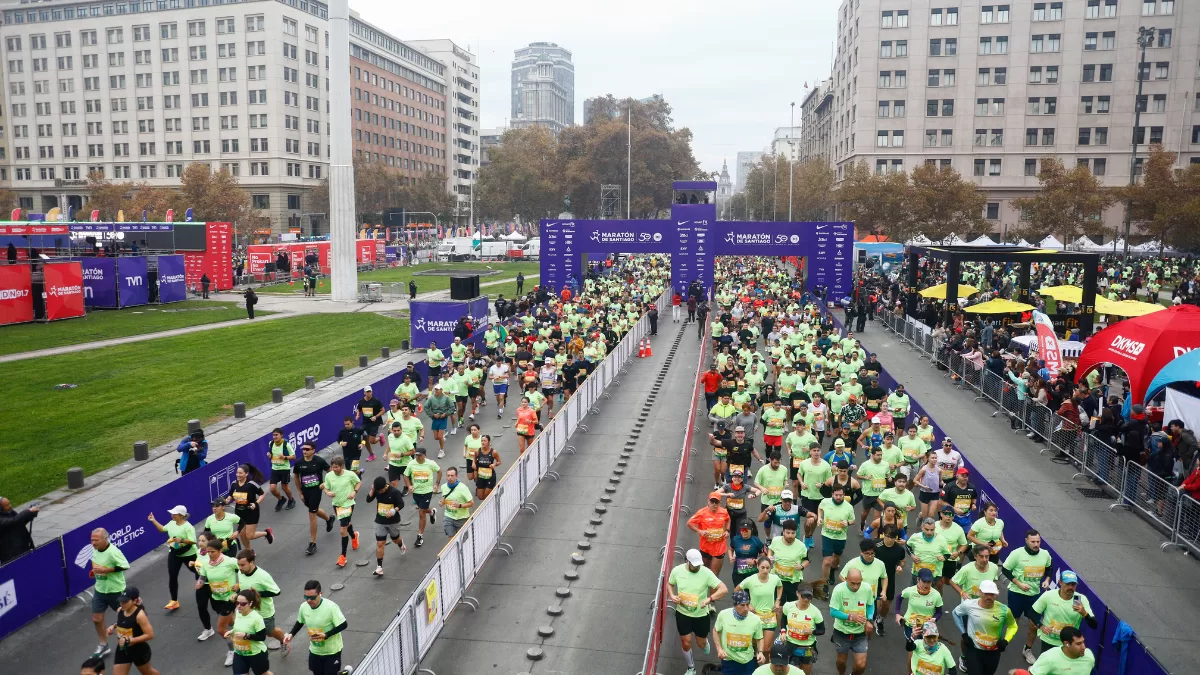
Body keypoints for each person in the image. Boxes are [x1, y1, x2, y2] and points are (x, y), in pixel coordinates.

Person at [668, 548, 729, 675]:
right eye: (694, 565)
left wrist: (709, 599)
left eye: (698, 565)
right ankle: (691, 668)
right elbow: (670, 583)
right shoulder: (677, 571)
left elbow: (723, 589)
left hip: (700, 615)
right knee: (686, 642)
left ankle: (705, 643)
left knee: (700, 643)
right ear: (687, 561)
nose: (697, 567)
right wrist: (672, 596)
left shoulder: (706, 573)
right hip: (683, 613)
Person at [952, 580, 1017, 675]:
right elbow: (955, 613)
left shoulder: (1004, 610)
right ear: (980, 592)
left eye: (992, 594)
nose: (989, 597)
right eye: (986, 594)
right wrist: (964, 634)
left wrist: (1006, 641)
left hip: (993, 652)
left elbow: (1013, 626)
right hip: (974, 649)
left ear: (996, 594)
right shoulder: (969, 605)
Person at [285, 580, 348, 675]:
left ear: (320, 594)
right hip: (315, 651)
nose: (308, 600)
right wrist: (291, 634)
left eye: (312, 597)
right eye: (306, 597)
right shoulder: (304, 607)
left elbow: (343, 624)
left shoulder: (331, 607)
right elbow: (300, 622)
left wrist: (326, 635)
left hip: (332, 651)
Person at [197, 537, 241, 667]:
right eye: (208, 552)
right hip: (216, 598)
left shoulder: (230, 561)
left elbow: (245, 569)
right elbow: (203, 576)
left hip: (230, 598)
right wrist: (200, 582)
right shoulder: (206, 564)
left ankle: (233, 651)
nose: (210, 554)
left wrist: (239, 584)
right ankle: (243, 628)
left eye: (213, 552)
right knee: (231, 621)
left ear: (220, 551)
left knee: (221, 629)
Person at [1030, 570, 1097, 656]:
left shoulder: (1080, 599)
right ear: (1060, 582)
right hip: (1049, 640)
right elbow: (1032, 613)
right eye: (1067, 584)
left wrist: (1085, 614)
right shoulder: (1049, 595)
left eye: (1073, 584)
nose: (1070, 587)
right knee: (1047, 662)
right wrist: (1041, 626)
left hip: (1068, 643)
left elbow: (1094, 625)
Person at [89, 528, 131, 657]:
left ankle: (129, 643)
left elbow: (125, 565)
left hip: (115, 590)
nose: (93, 543)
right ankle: (103, 645)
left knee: (126, 617)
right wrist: (95, 571)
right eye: (92, 540)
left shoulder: (113, 552)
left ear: (105, 539)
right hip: (100, 590)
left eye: (96, 540)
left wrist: (106, 570)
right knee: (96, 619)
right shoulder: (95, 550)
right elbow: (95, 562)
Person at [147, 505, 197, 611]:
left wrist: (181, 540)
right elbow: (162, 529)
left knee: (199, 572)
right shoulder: (171, 523)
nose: (172, 515)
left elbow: (193, 541)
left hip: (189, 554)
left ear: (181, 515)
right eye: (172, 513)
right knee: (173, 577)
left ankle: (210, 583)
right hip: (175, 553)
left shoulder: (188, 527)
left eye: (174, 514)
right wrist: (153, 520)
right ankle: (174, 601)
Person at [235, 550, 285, 652]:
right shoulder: (241, 573)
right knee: (250, 631)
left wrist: (257, 594)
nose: (240, 568)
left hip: (264, 611)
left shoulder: (262, 576)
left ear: (251, 562)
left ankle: (284, 640)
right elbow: (244, 588)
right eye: (239, 565)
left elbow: (276, 591)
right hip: (248, 611)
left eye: (243, 565)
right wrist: (237, 591)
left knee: (270, 632)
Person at [292, 442, 336, 556]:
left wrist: (325, 484)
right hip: (305, 492)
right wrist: (299, 492)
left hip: (316, 491)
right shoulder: (299, 463)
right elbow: (296, 476)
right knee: (314, 510)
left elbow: (331, 472)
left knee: (312, 515)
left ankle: (312, 544)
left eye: (307, 449)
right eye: (303, 449)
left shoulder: (319, 461)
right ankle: (329, 519)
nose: (304, 451)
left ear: (313, 451)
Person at [828, 569, 874, 675]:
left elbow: (870, 604)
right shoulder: (839, 590)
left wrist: (869, 619)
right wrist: (851, 617)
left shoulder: (867, 588)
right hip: (842, 632)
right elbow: (833, 612)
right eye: (852, 583)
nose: (856, 587)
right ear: (846, 579)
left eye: (858, 583)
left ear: (862, 580)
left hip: (860, 633)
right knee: (841, 662)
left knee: (861, 665)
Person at [838, 539, 888, 636]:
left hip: (871, 599)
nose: (870, 556)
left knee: (868, 621)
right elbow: (842, 576)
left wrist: (884, 591)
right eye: (867, 553)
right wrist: (852, 587)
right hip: (855, 598)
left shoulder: (880, 564)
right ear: (861, 552)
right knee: (854, 621)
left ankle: (863, 639)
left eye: (872, 553)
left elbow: (884, 577)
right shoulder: (852, 563)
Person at [107, 587, 158, 675]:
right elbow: (124, 622)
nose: (122, 604)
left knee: (149, 673)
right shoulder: (120, 610)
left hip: (138, 651)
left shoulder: (140, 615)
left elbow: (150, 635)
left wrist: (130, 640)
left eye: (125, 601)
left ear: (134, 601)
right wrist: (113, 626)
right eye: (121, 601)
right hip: (123, 649)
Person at [714, 589, 766, 674]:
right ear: (735, 605)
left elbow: (759, 638)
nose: (745, 608)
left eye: (747, 604)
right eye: (742, 605)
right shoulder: (723, 615)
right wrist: (719, 649)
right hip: (729, 660)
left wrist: (760, 652)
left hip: (747, 661)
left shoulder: (756, 620)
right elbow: (716, 631)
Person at [322, 456, 361, 568]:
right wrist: (327, 492)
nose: (334, 469)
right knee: (346, 523)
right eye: (332, 467)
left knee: (343, 529)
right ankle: (354, 536)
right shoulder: (329, 476)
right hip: (337, 504)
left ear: (342, 466)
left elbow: (358, 483)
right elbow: (325, 487)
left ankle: (343, 556)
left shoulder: (350, 474)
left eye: (336, 467)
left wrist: (354, 492)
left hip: (348, 503)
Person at [778, 583, 825, 673]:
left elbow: (822, 630)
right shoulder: (788, 606)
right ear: (797, 594)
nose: (806, 599)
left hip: (808, 648)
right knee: (793, 672)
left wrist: (812, 631)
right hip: (791, 646)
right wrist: (783, 632)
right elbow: (783, 620)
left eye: (809, 597)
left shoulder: (815, 612)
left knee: (805, 672)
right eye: (803, 596)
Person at [228, 463, 274, 551]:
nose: (238, 475)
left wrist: (255, 503)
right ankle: (249, 551)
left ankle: (266, 533)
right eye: (237, 473)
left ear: (246, 474)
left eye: (240, 473)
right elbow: (231, 495)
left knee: (249, 536)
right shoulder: (234, 484)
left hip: (251, 512)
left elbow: (262, 494)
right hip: (239, 512)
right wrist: (228, 499)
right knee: (242, 534)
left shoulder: (251, 484)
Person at [366, 476, 406, 576]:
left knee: (395, 539)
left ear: (385, 486)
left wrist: (393, 511)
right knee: (380, 543)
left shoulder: (394, 492)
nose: (379, 492)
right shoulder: (377, 490)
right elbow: (368, 499)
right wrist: (372, 490)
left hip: (393, 521)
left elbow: (401, 504)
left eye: (381, 490)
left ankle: (401, 544)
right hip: (380, 521)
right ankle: (379, 568)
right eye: (378, 491)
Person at [228, 588, 273, 675]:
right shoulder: (238, 613)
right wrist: (232, 632)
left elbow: (262, 637)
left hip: (255, 654)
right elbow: (240, 627)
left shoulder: (256, 618)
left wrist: (246, 636)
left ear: (250, 603)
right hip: (239, 653)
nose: (239, 606)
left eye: (243, 604)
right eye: (237, 603)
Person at [404, 447, 441, 548]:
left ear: (425, 455)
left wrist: (437, 484)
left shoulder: (430, 463)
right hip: (416, 492)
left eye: (420, 455)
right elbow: (406, 475)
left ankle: (420, 536)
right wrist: (409, 486)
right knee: (423, 509)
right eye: (416, 455)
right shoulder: (411, 464)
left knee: (421, 513)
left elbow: (439, 471)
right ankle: (432, 512)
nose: (418, 457)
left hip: (427, 491)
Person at [688, 491, 732, 574]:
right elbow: (689, 523)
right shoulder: (701, 513)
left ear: (719, 503)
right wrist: (699, 531)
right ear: (708, 501)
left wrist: (727, 530)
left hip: (719, 547)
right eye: (712, 501)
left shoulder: (724, 512)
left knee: (714, 574)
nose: (714, 504)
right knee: (705, 572)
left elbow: (728, 519)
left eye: (716, 502)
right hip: (706, 547)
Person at [1028, 626, 1095, 675]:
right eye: (1078, 644)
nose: (1083, 647)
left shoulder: (1089, 655)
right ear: (1066, 644)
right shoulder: (1049, 658)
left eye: (1083, 642)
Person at [265, 428, 296, 511]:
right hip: (275, 468)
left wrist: (284, 457)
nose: (274, 437)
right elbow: (272, 453)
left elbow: (293, 457)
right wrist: (269, 455)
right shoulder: (271, 443)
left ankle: (291, 500)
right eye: (273, 435)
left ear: (281, 435)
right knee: (272, 489)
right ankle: (281, 499)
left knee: (284, 487)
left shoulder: (286, 445)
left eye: (276, 435)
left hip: (284, 469)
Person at [438, 466, 475, 538]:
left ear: (456, 476)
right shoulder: (443, 487)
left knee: (463, 540)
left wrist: (460, 505)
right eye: (448, 475)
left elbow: (471, 503)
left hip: (462, 518)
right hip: (448, 517)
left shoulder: (463, 488)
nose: (450, 478)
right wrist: (442, 502)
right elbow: (444, 498)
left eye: (452, 476)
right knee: (451, 540)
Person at [0, 496, 38, 564]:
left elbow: (19, 522)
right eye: (7, 505)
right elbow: (13, 521)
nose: (10, 506)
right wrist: (28, 511)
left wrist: (31, 515)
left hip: (22, 546)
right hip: (10, 553)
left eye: (9, 503)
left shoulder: (9, 511)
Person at [355, 386, 385, 462]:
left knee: (372, 441)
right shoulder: (361, 401)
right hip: (365, 423)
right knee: (365, 438)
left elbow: (383, 410)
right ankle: (371, 454)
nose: (368, 393)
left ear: (371, 392)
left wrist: (376, 416)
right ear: (364, 393)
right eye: (367, 392)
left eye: (370, 391)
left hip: (374, 423)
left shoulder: (376, 401)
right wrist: (358, 415)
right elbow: (358, 409)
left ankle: (380, 438)